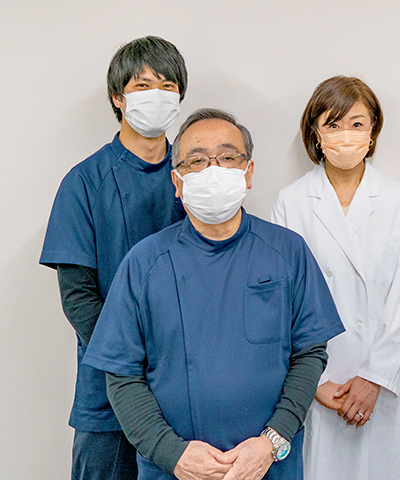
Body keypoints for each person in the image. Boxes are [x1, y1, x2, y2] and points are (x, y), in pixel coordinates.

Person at [82, 108, 345, 480]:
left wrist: (272, 441)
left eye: (227, 158)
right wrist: (171, 453)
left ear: (248, 172)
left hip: (268, 465)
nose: (213, 170)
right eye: (197, 161)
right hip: (173, 469)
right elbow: (122, 376)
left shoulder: (287, 252)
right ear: (177, 181)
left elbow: (310, 354)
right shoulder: (144, 263)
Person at [39, 35, 188, 480]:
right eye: (142, 86)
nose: (156, 96)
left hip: (185, 382)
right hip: (108, 387)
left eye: (167, 86)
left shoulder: (197, 180)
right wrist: (131, 362)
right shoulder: (84, 182)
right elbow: (79, 298)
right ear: (117, 98)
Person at [271, 76, 400, 480]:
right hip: (318, 382)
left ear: (373, 132)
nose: (346, 135)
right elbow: (282, 303)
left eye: (357, 124)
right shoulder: (291, 202)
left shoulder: (398, 199)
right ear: (316, 133)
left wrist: (374, 378)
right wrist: (315, 382)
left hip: (379, 387)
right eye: (333, 124)